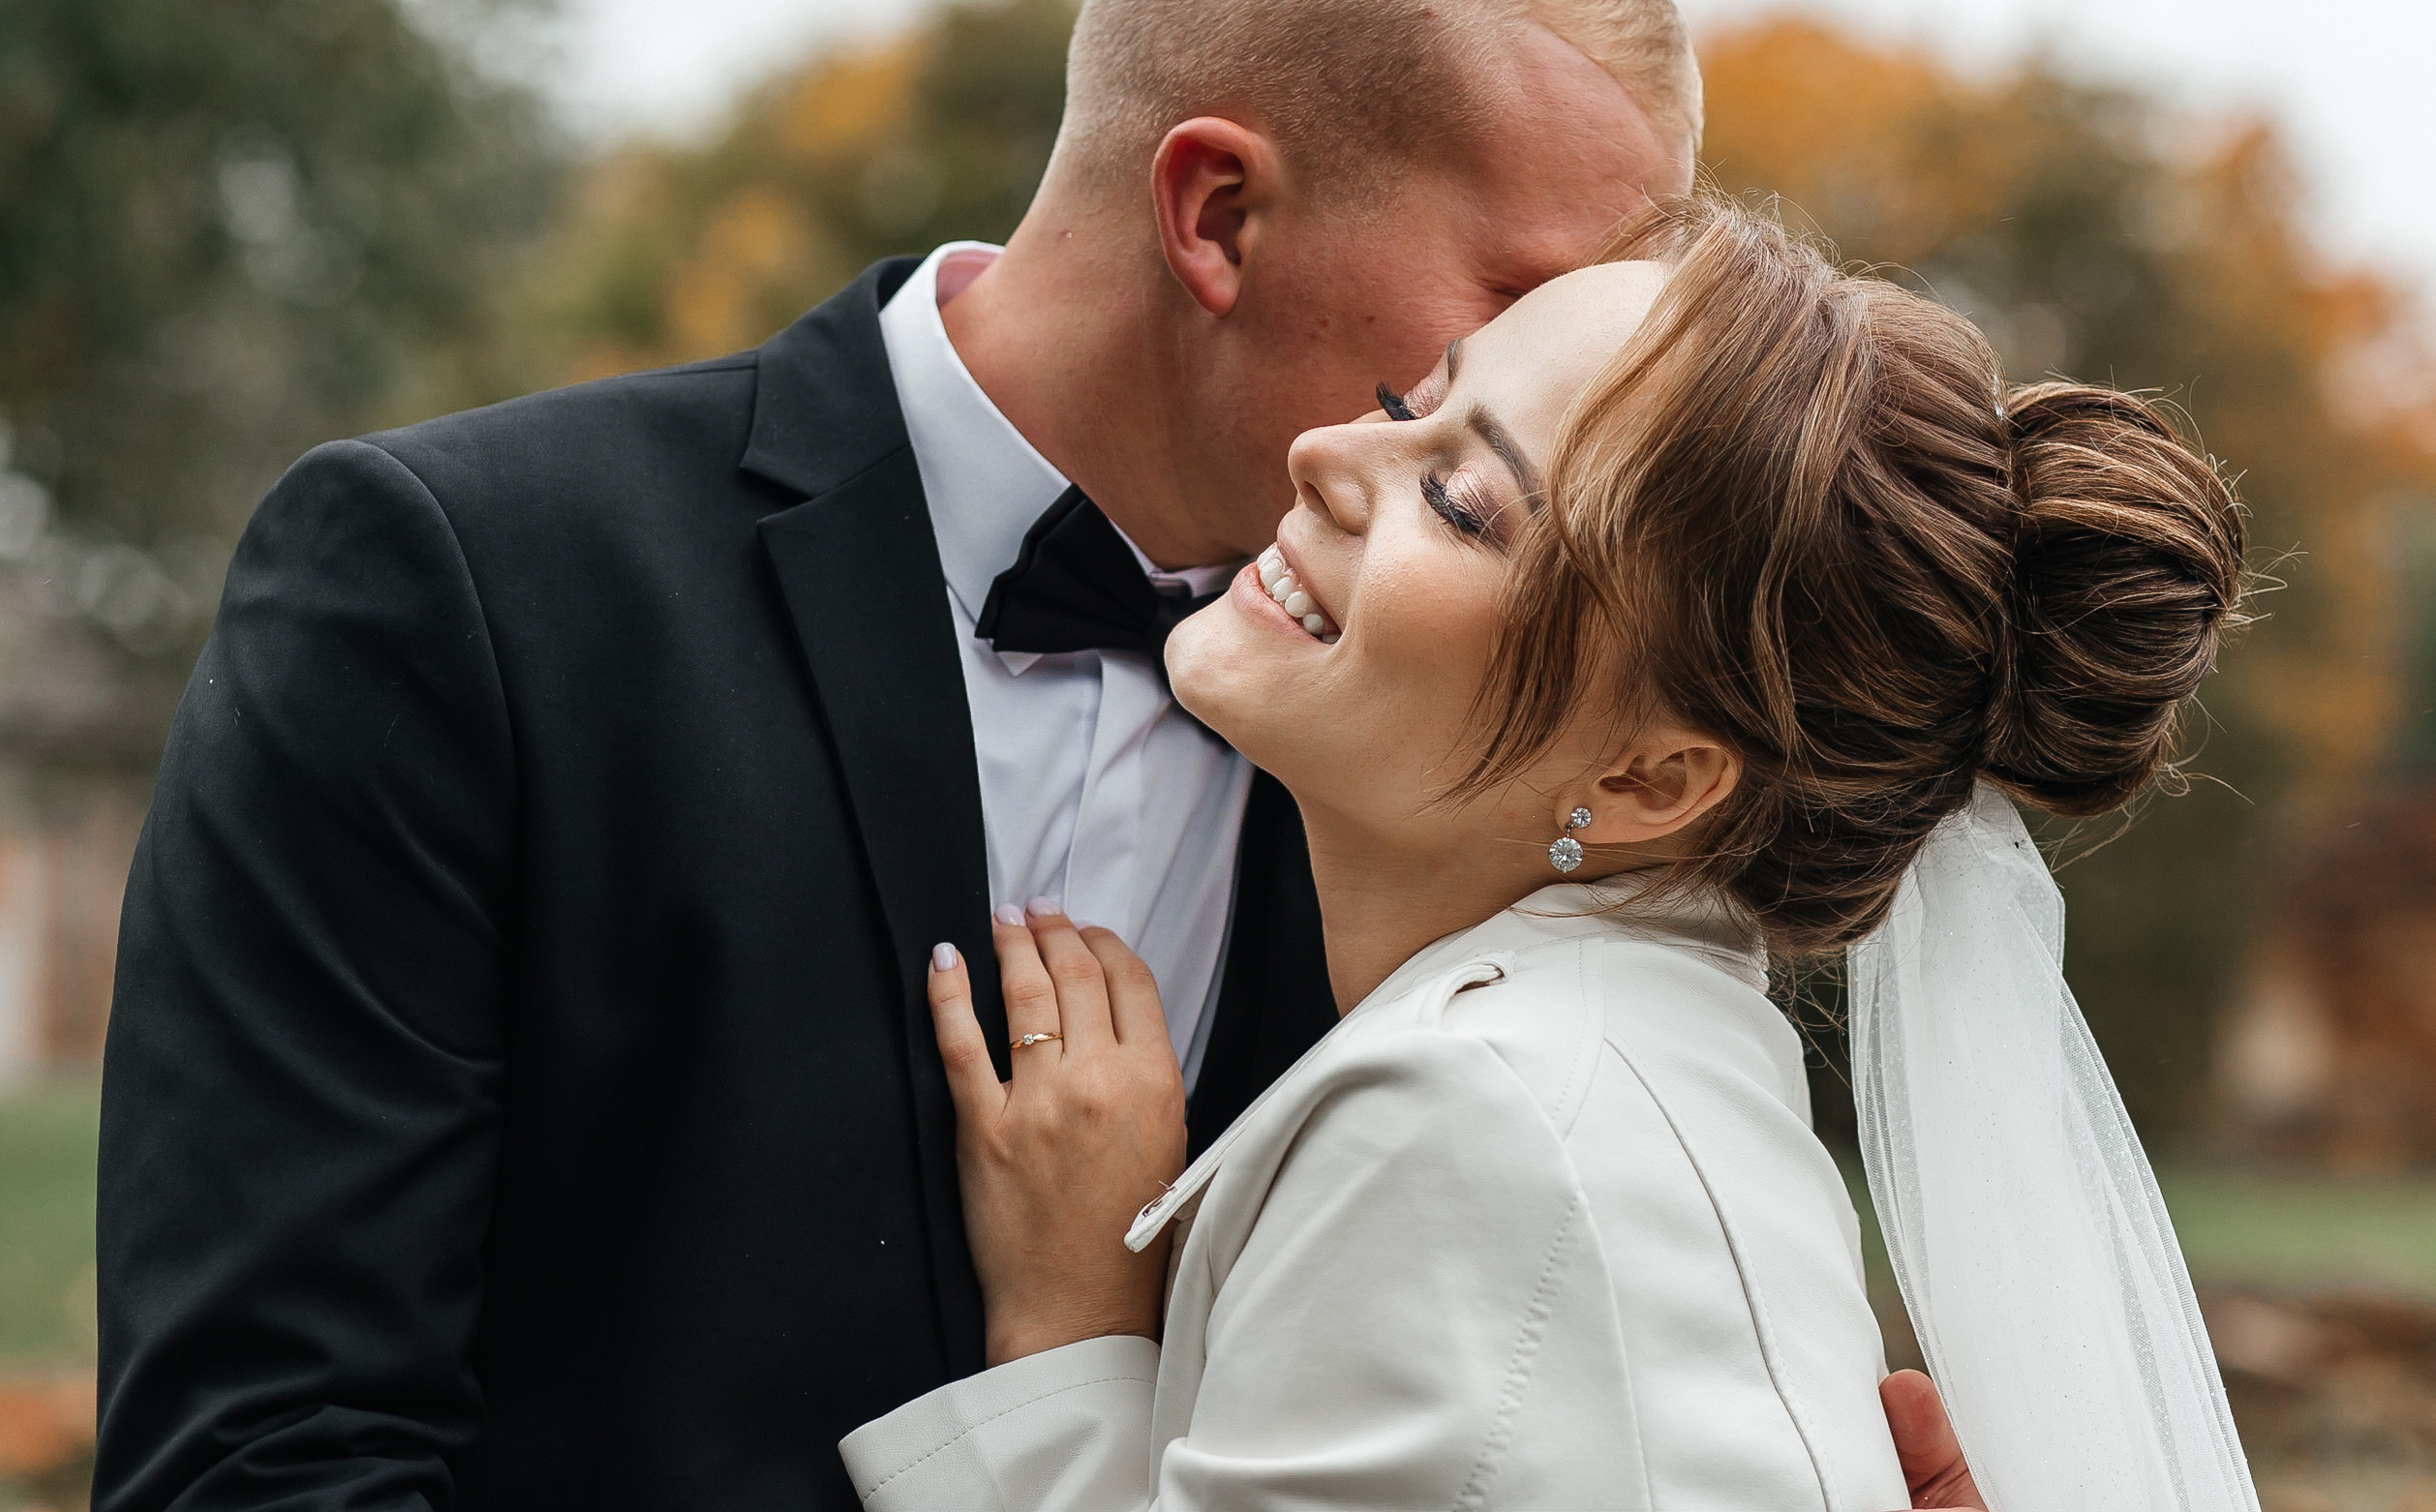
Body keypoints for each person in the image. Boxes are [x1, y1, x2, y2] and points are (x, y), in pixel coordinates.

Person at [93, 0, 1716, 1507]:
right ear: (1217, 213)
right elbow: (266, 1460)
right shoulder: (464, 586)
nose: (1572, 399)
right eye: (1525, 300)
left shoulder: (1460, 771)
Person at [838, 198, 2257, 1507]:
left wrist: (1069, 1329)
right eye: (1415, 402)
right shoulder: (1651, 1074)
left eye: (1462, 502)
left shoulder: (1473, 1121)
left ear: (1650, 776)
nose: (1326, 455)